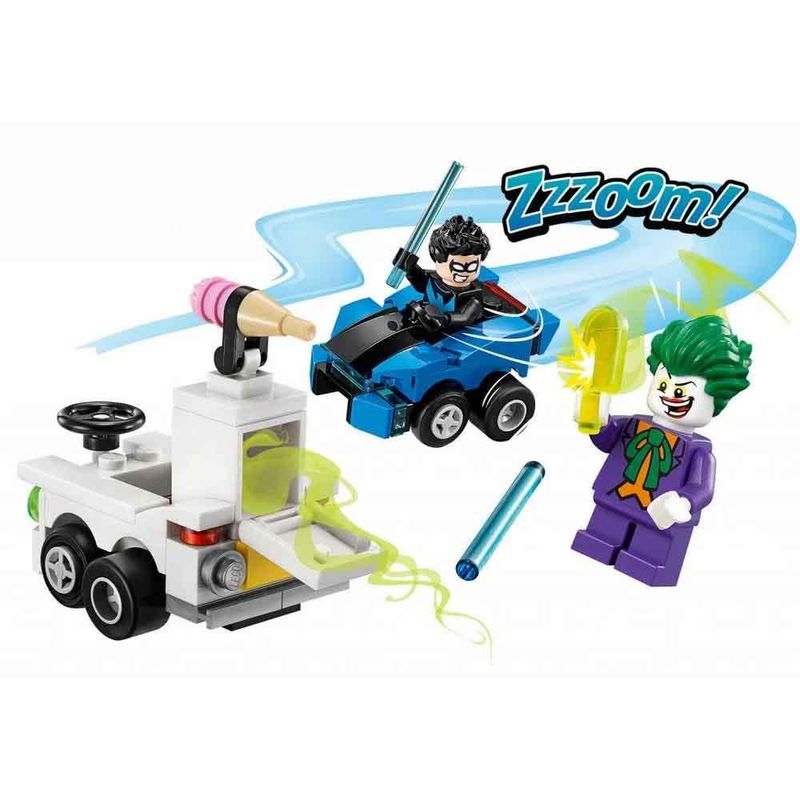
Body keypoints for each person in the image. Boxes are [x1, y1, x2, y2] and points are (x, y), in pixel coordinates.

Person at [572, 315, 752, 586]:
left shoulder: (699, 452)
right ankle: (599, 541)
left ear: (715, 399)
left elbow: (702, 488)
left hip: (661, 515)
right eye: (664, 385)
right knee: (603, 530)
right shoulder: (634, 424)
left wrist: (684, 502)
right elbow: (607, 441)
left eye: (682, 393)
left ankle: (648, 563)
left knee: (652, 548)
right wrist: (596, 421)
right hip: (615, 499)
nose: (669, 395)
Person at [403, 214, 491, 333]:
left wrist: (443, 319)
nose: (464, 272)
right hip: (425, 319)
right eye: (458, 267)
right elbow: (421, 285)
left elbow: (465, 317)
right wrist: (410, 269)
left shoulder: (473, 299)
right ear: (438, 259)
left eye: (471, 267)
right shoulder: (434, 279)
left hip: (453, 332)